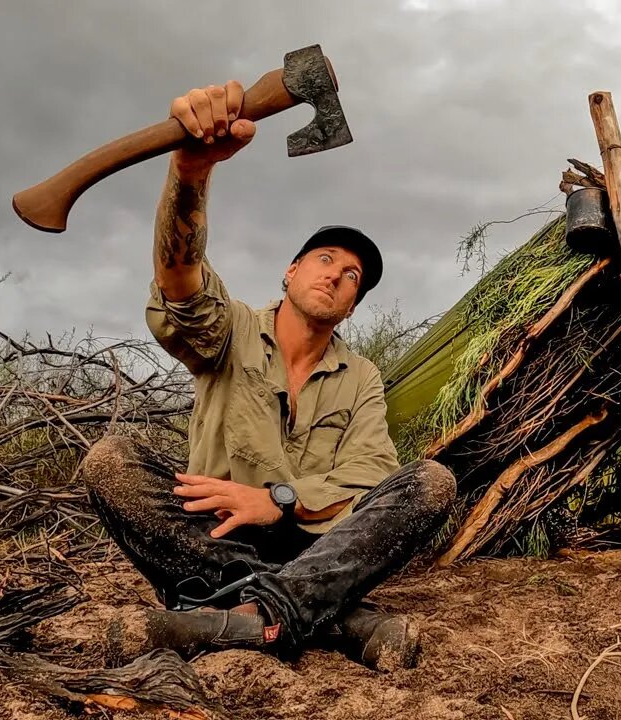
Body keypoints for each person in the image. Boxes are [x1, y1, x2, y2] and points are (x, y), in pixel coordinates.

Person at [76, 80, 456, 671]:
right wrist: (191, 171)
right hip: (215, 533)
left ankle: (235, 619)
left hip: (315, 541)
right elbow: (182, 283)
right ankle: (337, 618)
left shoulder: (361, 377)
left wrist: (279, 500)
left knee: (430, 483)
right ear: (291, 271)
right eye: (325, 259)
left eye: (353, 275)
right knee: (110, 461)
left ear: (353, 304)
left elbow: (371, 473)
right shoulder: (228, 330)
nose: (336, 275)